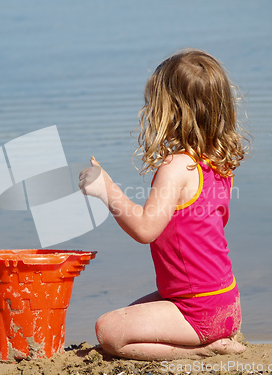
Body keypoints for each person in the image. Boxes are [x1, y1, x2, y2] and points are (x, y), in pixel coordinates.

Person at [78, 48, 250, 361]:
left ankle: (203, 349)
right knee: (128, 316)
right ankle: (212, 335)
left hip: (198, 309)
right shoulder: (218, 164)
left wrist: (107, 189)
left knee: (109, 332)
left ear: (170, 111)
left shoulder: (176, 167)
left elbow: (146, 229)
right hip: (225, 302)